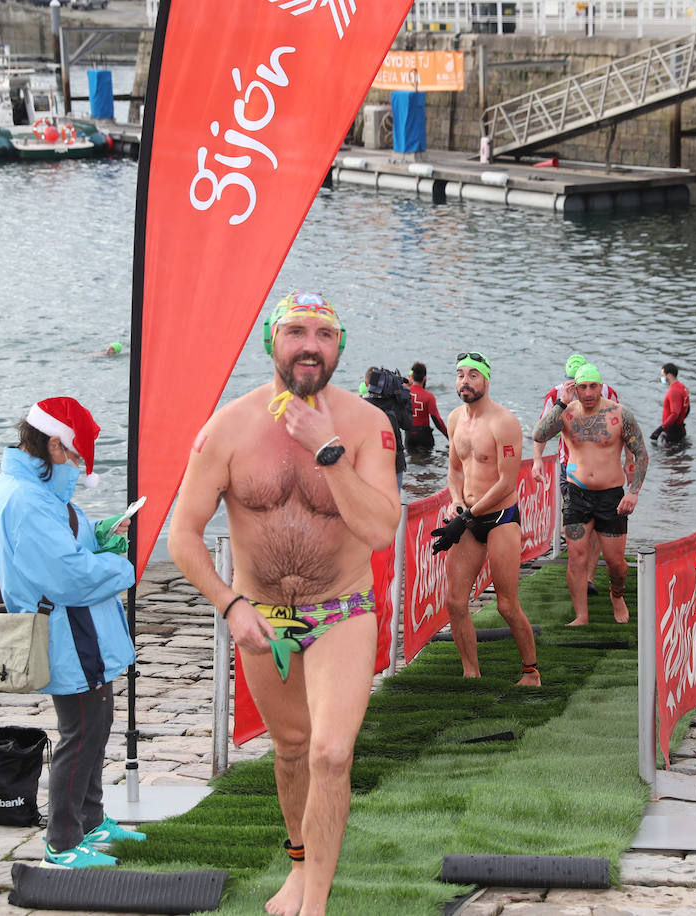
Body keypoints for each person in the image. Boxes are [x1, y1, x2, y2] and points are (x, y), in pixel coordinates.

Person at [168, 291, 399, 916]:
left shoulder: (366, 426)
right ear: (272, 342)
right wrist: (229, 603)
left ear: (339, 348)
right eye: (296, 331)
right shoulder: (228, 427)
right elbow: (182, 533)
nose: (310, 345)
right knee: (292, 748)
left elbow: (382, 530)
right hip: (262, 617)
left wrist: (329, 452)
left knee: (331, 752)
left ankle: (315, 904)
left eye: (324, 334)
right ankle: (298, 868)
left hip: (341, 609)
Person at [0, 396, 146, 869]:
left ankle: (91, 821)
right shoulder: (27, 498)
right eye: (77, 458)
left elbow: (66, 545)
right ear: (54, 445)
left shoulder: (33, 490)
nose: (79, 469)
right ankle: (61, 843)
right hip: (68, 633)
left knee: (95, 728)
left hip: (76, 630)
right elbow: (66, 575)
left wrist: (99, 534)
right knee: (81, 733)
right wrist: (123, 568)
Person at [431, 351, 541, 686]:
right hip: (467, 518)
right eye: (460, 375)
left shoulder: (503, 423)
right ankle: (471, 673)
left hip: (501, 519)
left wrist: (464, 518)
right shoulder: (454, 419)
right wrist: (456, 503)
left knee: (507, 605)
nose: (465, 381)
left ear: (486, 380)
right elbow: (454, 469)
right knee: (454, 600)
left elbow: (507, 482)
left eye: (473, 375)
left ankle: (530, 672)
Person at [532, 363, 649, 626]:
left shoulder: (619, 414)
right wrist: (561, 403)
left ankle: (616, 595)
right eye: (582, 387)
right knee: (576, 556)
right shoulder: (566, 413)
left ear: (600, 386)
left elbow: (641, 453)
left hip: (611, 497)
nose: (587, 392)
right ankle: (581, 616)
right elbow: (539, 434)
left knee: (616, 563)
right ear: (574, 387)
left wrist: (634, 492)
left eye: (592, 386)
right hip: (577, 494)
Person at [531, 353, 620, 598]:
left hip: (602, 471)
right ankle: (578, 572)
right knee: (577, 526)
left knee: (595, 527)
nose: (578, 390)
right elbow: (542, 429)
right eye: (572, 382)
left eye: (581, 383)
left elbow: (619, 427)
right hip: (569, 467)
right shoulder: (556, 395)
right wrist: (538, 460)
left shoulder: (607, 393)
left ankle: (588, 577)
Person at [363, 365, 413, 493]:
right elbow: (407, 425)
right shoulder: (395, 404)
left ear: (367, 384)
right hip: (394, 463)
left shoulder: (361, 404)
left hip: (368, 463)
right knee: (393, 504)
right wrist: (406, 401)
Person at [404, 361, 448, 450]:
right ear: (424, 378)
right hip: (424, 437)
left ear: (412, 377)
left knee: (412, 460)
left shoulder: (405, 393)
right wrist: (449, 437)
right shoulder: (428, 396)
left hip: (409, 436)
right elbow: (437, 420)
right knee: (427, 461)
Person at [651, 362, 690, 444]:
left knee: (668, 455)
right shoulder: (683, 388)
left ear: (669, 375)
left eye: (662, 375)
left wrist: (660, 429)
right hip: (680, 429)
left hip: (672, 433)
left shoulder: (674, 391)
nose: (662, 378)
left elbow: (675, 413)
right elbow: (688, 408)